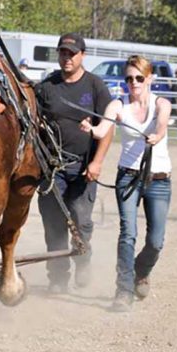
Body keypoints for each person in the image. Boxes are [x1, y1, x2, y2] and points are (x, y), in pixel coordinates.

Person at [80, 55, 172, 312]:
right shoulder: (118, 105)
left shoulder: (161, 103)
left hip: (159, 179)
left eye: (139, 78)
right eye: (129, 78)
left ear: (149, 78)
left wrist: (157, 134)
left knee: (156, 241)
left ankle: (140, 271)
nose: (134, 83)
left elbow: (162, 123)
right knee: (127, 233)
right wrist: (91, 128)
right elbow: (102, 129)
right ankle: (123, 290)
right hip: (129, 177)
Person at [35, 32, 113, 293]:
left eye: (72, 53)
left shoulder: (95, 86)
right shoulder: (46, 87)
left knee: (81, 221)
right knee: (54, 225)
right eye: (62, 53)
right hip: (52, 167)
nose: (66, 58)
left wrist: (97, 162)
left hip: (83, 167)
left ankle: (83, 260)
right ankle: (57, 277)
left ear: (83, 56)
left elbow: (108, 127)